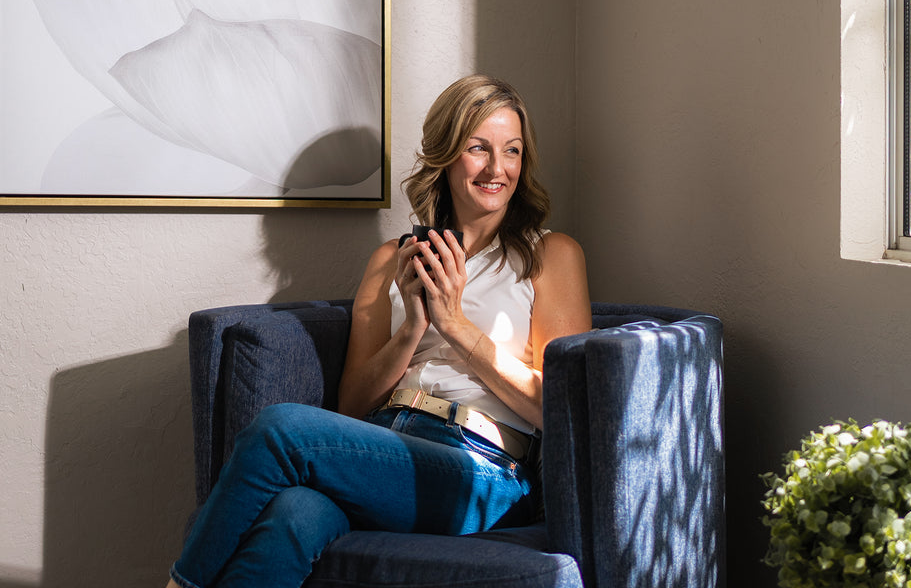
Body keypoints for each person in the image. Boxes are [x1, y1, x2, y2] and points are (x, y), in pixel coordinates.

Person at [165, 74, 591, 588]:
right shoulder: (391, 260)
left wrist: (453, 324)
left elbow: (560, 408)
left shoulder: (550, 255)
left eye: (512, 151)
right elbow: (351, 406)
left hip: (483, 469)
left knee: (281, 430)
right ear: (447, 155)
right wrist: (412, 327)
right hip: (382, 446)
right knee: (295, 515)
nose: (497, 169)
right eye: (479, 149)